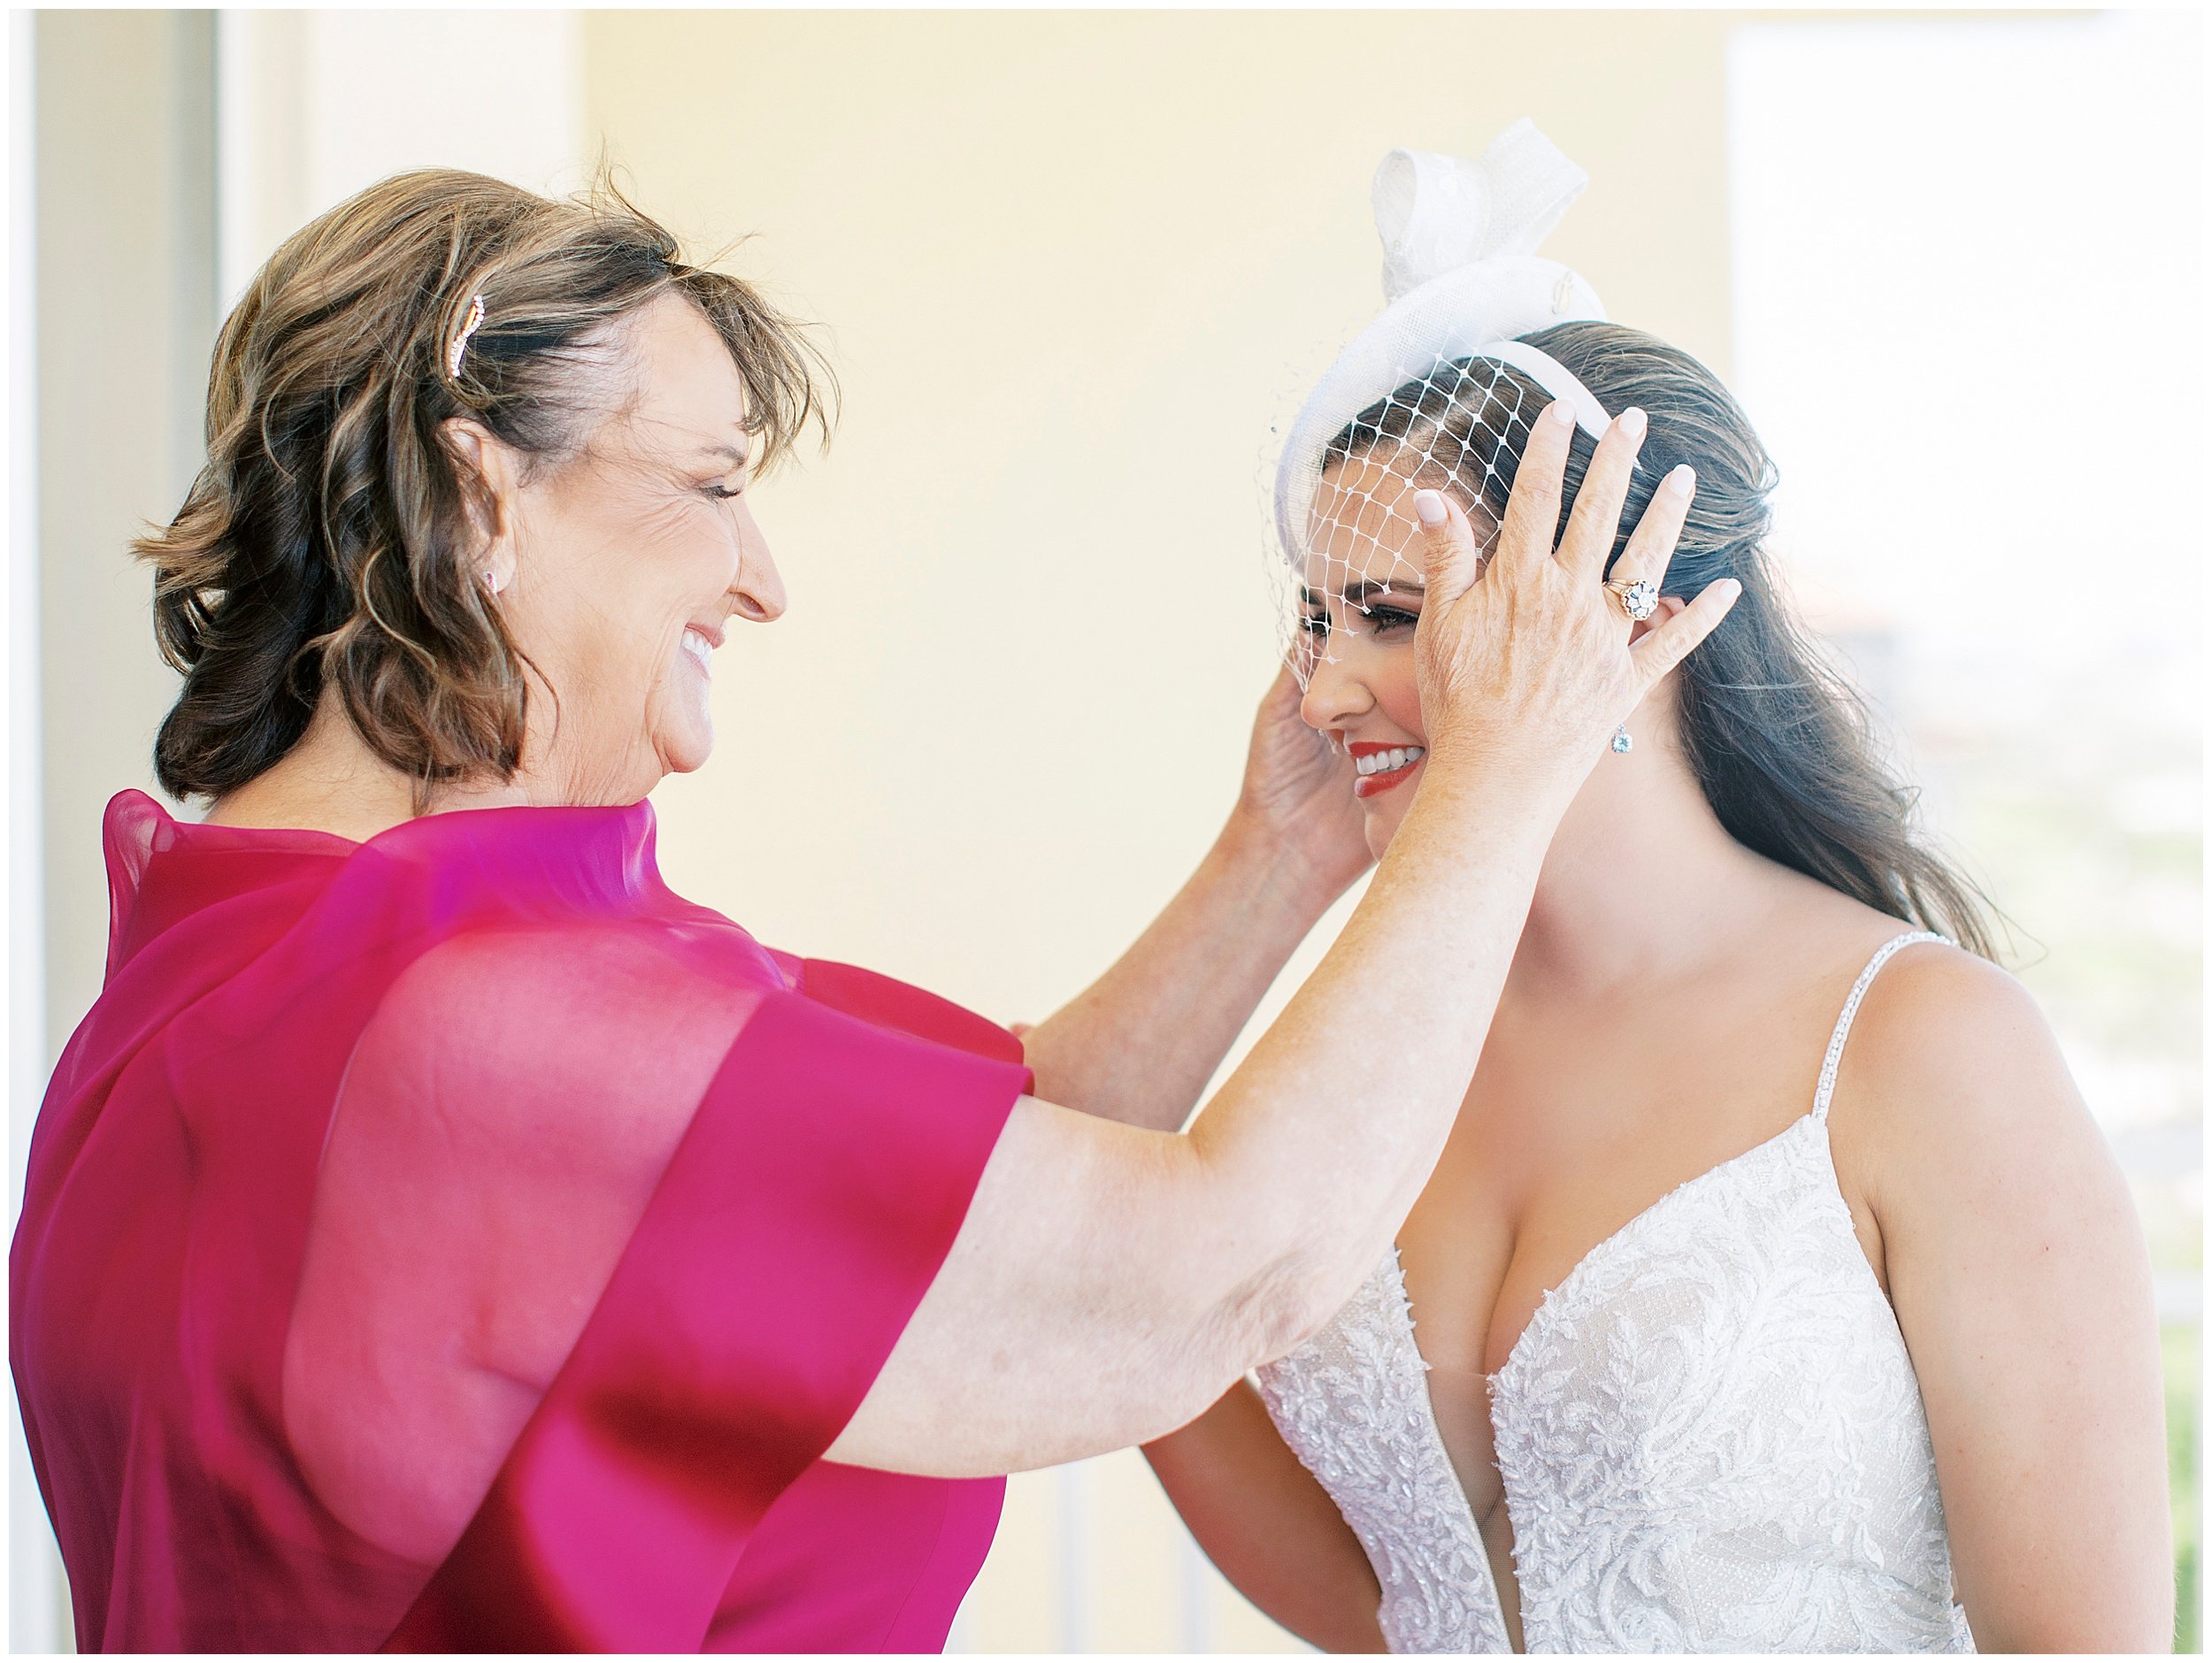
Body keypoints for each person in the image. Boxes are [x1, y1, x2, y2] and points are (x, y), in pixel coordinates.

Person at [7, 168, 1736, 1652]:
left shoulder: (238, 951)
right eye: (706, 484)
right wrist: (1503, 771)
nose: (762, 578)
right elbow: (1216, 1275)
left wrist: (1282, 848)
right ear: (479, 501)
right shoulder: (471, 1030)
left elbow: (1011, 1139)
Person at [1137, 126, 2173, 1652]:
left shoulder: (1923, 1050)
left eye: (1391, 614)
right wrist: (1265, 867)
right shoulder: (1375, 1034)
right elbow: (1372, 1598)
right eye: (1317, 620)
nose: (1326, 687)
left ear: (1634, 610)